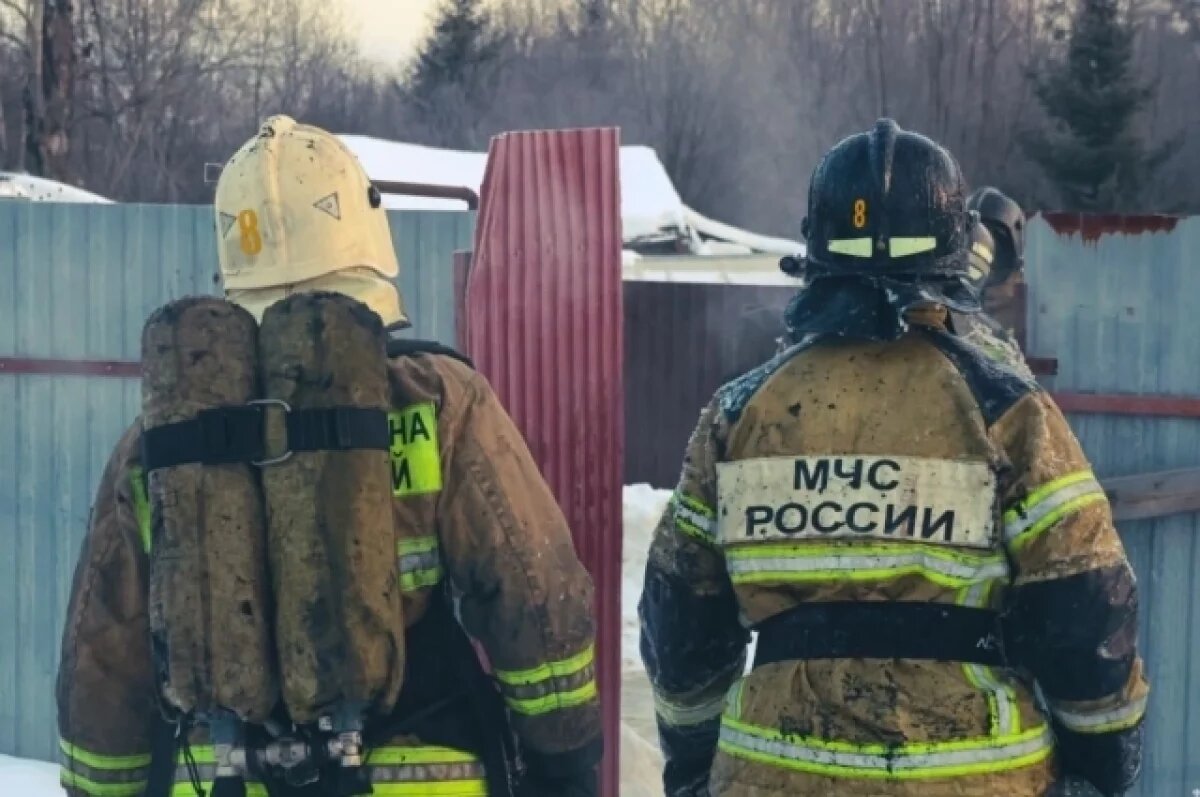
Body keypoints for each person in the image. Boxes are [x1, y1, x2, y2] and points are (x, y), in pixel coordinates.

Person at [56, 115, 603, 797]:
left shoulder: (156, 447)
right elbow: (535, 589)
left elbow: (102, 658)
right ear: (365, 239)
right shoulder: (434, 397)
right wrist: (566, 761)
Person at [639, 119, 1147, 797]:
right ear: (953, 251)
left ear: (815, 251)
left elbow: (681, 624)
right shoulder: (1005, 409)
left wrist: (696, 763)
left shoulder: (740, 413)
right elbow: (1086, 603)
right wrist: (1101, 765)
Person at [952, 185, 1035, 379]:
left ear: (1018, 274)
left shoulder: (1009, 344)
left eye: (996, 266)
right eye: (975, 265)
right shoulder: (946, 327)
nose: (984, 280)